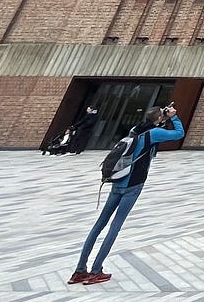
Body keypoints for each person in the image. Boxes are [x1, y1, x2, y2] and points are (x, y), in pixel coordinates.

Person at [67, 104, 183, 285]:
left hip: (118, 181)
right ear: (159, 119)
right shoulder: (154, 134)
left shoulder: (135, 130)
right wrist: (173, 117)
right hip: (134, 183)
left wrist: (162, 118)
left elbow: (148, 128)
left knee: (99, 224)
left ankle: (80, 270)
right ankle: (96, 270)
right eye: (162, 115)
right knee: (115, 226)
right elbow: (178, 134)